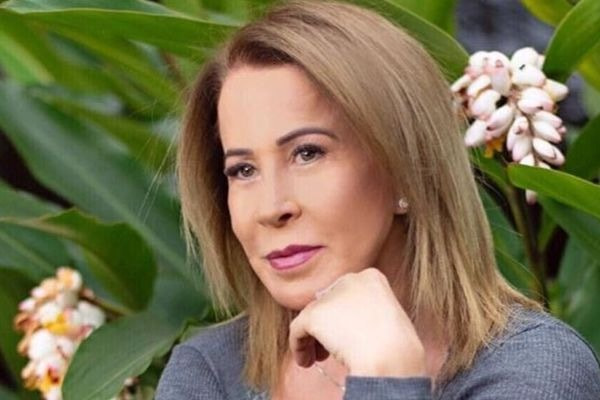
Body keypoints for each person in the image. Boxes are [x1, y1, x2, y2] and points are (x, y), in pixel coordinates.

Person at [155, 1, 600, 399]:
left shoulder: (534, 369)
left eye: (308, 153)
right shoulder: (210, 373)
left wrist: (386, 377)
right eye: (243, 170)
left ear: (404, 169)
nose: (272, 208)